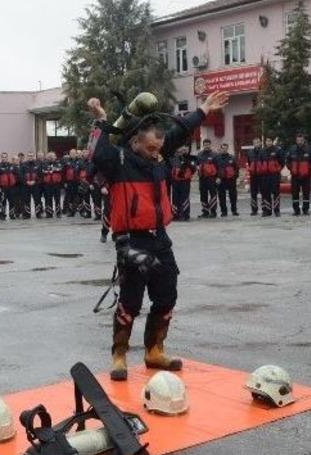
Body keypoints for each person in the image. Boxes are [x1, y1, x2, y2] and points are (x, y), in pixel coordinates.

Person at [86, 91, 229, 381]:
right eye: (151, 147)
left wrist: (203, 110)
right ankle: (119, 355)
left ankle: (154, 351)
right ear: (135, 142)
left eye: (159, 148)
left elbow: (179, 129)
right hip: (131, 242)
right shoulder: (119, 162)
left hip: (160, 240)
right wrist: (101, 120)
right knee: (130, 302)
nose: (156, 152)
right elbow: (98, 154)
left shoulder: (160, 158)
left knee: (167, 297)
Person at [286, 133, 311, 216]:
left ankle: (306, 210)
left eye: (301, 140)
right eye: (298, 140)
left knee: (306, 193)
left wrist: (308, 169)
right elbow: (287, 161)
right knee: (295, 194)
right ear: (296, 141)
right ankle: (296, 210)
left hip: (306, 176)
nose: (299, 142)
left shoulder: (309, 149)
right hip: (295, 176)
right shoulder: (292, 149)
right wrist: (291, 169)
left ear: (304, 140)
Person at [169, 146, 196, 221]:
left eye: (184, 150)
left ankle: (185, 215)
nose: (182, 151)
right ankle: (175, 215)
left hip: (185, 181)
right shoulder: (173, 158)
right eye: (181, 149)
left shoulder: (190, 158)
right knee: (175, 199)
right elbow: (169, 168)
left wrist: (187, 165)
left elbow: (194, 169)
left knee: (185, 198)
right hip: (175, 181)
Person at [196, 139, 218, 218]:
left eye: (208, 144)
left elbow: (218, 167)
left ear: (210, 145)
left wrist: (218, 177)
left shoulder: (215, 155)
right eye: (205, 144)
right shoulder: (199, 154)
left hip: (212, 178)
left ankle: (213, 211)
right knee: (203, 195)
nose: (207, 146)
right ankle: (205, 211)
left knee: (213, 194)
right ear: (203, 145)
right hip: (202, 178)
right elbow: (197, 165)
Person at [216, 143, 239, 217]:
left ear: (227, 148)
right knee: (221, 197)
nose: (224, 150)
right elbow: (215, 169)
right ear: (221, 149)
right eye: (223, 148)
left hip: (231, 180)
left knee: (233, 196)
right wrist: (216, 178)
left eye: (226, 148)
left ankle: (234, 210)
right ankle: (224, 211)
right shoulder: (217, 158)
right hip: (221, 180)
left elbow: (236, 168)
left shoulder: (232, 157)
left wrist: (235, 177)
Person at [262, 138, 283, 217]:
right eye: (267, 141)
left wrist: (277, 169)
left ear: (272, 142)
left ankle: (277, 210)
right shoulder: (262, 151)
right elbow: (260, 162)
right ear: (265, 142)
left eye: (270, 141)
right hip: (265, 176)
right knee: (266, 193)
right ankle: (267, 211)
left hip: (275, 175)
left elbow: (282, 162)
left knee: (276, 193)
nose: (268, 142)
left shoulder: (277, 150)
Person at [246, 138, 265, 216]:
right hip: (253, 175)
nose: (256, 144)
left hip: (262, 175)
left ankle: (265, 209)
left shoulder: (264, 151)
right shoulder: (250, 152)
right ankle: (254, 210)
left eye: (258, 142)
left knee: (264, 193)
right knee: (253, 193)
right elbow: (249, 163)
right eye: (255, 142)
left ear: (260, 143)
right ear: (253, 144)